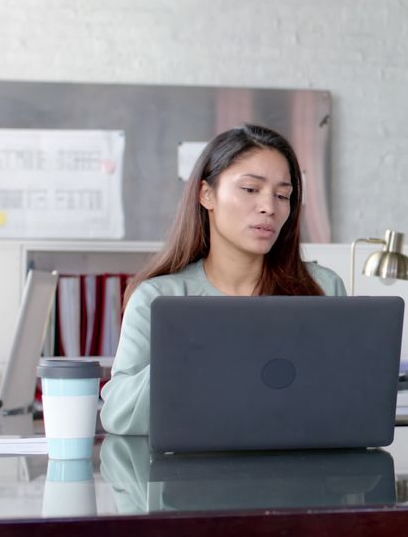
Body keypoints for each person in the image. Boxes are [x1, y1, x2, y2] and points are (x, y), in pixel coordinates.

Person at [100, 124, 345, 436]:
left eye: (283, 195)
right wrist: (182, 354)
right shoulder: (159, 297)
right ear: (207, 194)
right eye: (250, 189)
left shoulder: (322, 287)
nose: (269, 207)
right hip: (190, 478)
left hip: (300, 474)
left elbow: (345, 399)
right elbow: (118, 416)